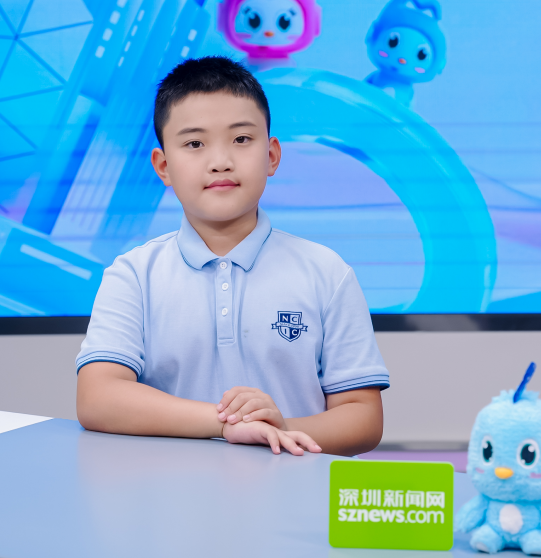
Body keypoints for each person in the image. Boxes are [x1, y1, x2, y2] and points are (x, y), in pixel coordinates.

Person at [76, 56, 389, 456]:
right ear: (163, 166)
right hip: (164, 490)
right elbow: (98, 397)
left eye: (241, 139)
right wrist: (227, 424)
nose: (220, 162)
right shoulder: (134, 275)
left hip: (293, 488)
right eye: (194, 144)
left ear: (272, 156)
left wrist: (277, 430)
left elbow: (363, 417)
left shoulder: (327, 273)